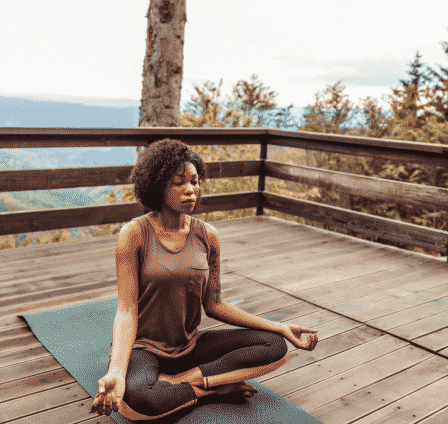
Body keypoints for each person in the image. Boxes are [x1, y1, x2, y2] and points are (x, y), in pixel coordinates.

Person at [90, 139, 318, 420]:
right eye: (178, 182)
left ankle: (178, 382)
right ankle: (211, 390)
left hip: (189, 345)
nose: (190, 190)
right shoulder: (133, 234)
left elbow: (215, 304)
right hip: (143, 348)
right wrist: (116, 371)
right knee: (133, 404)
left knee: (275, 346)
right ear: (157, 186)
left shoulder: (207, 235)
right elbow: (126, 311)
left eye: (195, 182)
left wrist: (279, 326)